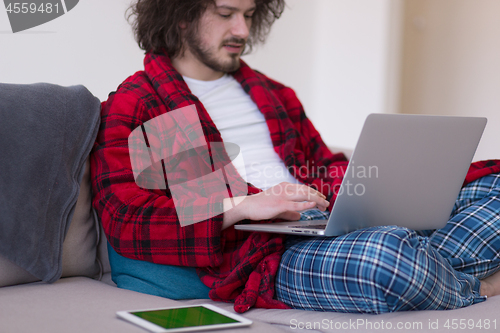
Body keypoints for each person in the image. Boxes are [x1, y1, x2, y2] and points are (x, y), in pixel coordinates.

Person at [90, 0, 500, 314]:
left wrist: (372, 187)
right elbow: (127, 219)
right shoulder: (146, 104)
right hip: (266, 249)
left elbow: (324, 164)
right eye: (227, 13)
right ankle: (476, 286)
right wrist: (242, 204)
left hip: (327, 217)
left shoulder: (272, 94)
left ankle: (420, 259)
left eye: (250, 14)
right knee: (384, 256)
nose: (242, 29)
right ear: (179, 14)